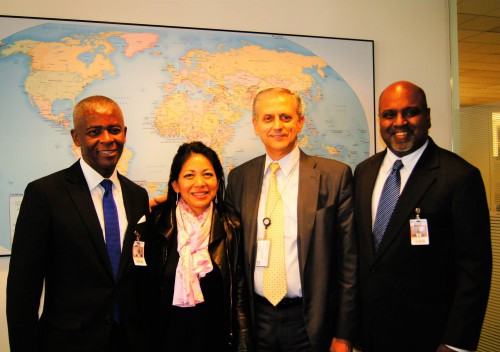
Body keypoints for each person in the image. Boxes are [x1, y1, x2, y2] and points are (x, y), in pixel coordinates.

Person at [354, 81, 492, 352]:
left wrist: (457, 343)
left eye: (411, 112)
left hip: (429, 337)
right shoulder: (364, 172)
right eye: (389, 114)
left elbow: (474, 269)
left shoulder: (459, 177)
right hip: (368, 334)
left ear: (427, 116)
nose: (400, 122)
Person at [7, 95, 151, 352]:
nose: (107, 139)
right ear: (76, 138)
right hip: (69, 343)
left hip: (130, 341)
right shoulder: (45, 195)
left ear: (125, 133)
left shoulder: (137, 197)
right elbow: (22, 292)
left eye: (114, 130)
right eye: (95, 131)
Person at [225, 87, 357, 352]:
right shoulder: (239, 179)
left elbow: (349, 265)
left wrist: (343, 335)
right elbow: (228, 245)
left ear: (300, 122)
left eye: (285, 117)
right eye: (268, 118)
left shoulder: (334, 177)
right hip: (256, 320)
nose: (277, 126)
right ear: (255, 125)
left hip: (310, 322)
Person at [148, 141, 251, 351]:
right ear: (175, 184)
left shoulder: (232, 227)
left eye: (207, 174)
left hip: (216, 342)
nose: (200, 183)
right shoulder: (156, 225)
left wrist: (243, 344)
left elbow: (239, 297)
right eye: (189, 175)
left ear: (218, 180)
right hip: (166, 341)